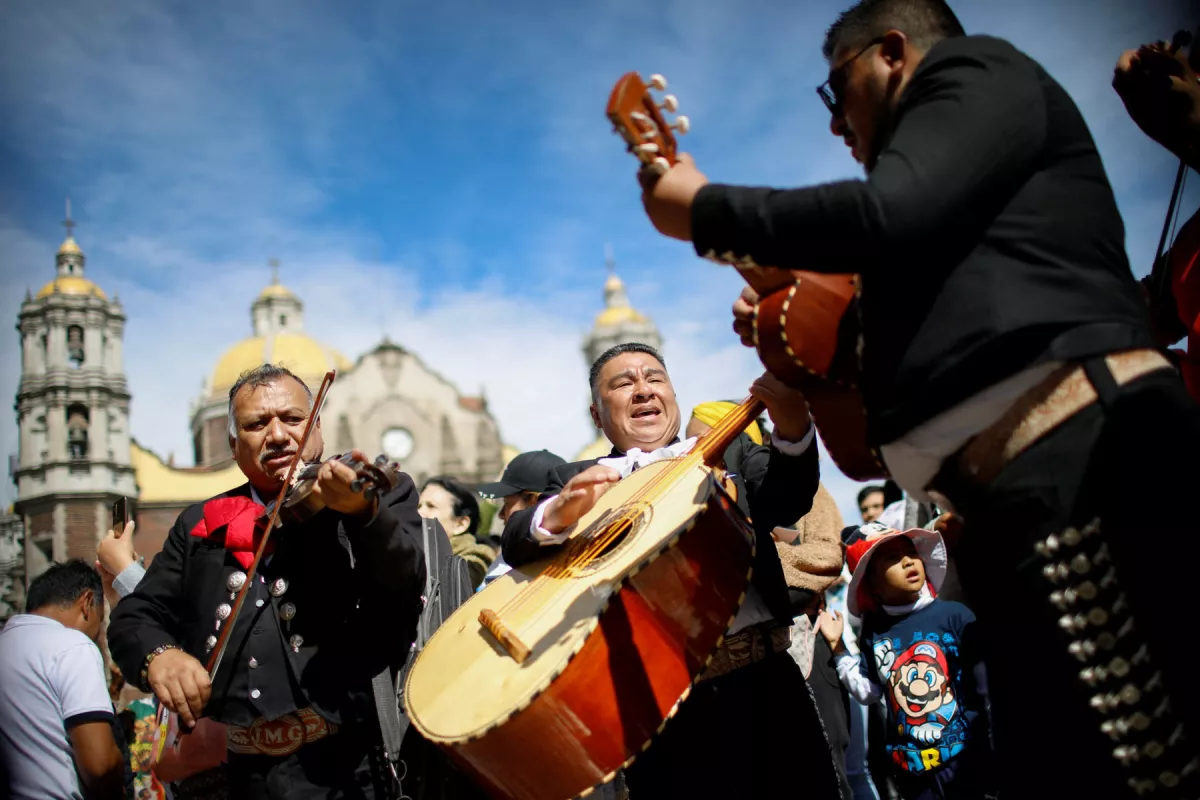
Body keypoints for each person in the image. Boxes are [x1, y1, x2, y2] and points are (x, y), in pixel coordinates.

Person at [637, 0, 1200, 793]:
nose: (838, 126)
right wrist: (796, 323)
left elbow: (885, 213)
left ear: (894, 53)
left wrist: (706, 210)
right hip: (1021, 506)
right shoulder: (939, 241)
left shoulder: (978, 71)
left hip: (1085, 467)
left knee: (1151, 767)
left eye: (839, 91)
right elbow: (865, 438)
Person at [501, 342, 841, 798]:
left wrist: (794, 426)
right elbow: (517, 540)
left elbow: (787, 497)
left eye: (654, 378)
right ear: (597, 416)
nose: (643, 390)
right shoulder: (575, 478)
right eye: (623, 384)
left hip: (765, 686)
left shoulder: (730, 449)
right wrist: (559, 513)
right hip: (657, 709)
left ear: (673, 395)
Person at [107, 364, 427, 799]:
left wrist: (364, 515)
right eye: (257, 424)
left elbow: (403, 586)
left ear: (317, 430)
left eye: (293, 419)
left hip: (348, 768)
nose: (277, 435)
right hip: (239, 775)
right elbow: (137, 613)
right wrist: (160, 656)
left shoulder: (377, 494)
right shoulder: (199, 522)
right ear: (234, 443)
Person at [820, 522, 993, 798]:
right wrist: (837, 646)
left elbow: (986, 691)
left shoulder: (954, 616)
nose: (907, 561)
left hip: (968, 763)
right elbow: (868, 690)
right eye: (891, 557)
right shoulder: (874, 633)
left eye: (910, 552)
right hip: (913, 774)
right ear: (872, 584)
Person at [0, 560, 125, 800]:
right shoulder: (73, 645)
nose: (96, 635)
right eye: (99, 622)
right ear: (87, 602)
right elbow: (101, 765)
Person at [476, 449, 568, 586]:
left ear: (534, 501)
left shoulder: (557, 569)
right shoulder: (511, 555)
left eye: (507, 503)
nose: (501, 514)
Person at [418, 476, 497, 587]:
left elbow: (450, 591)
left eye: (431, 506)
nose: (419, 513)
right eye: (419, 506)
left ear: (460, 524)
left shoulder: (475, 560)